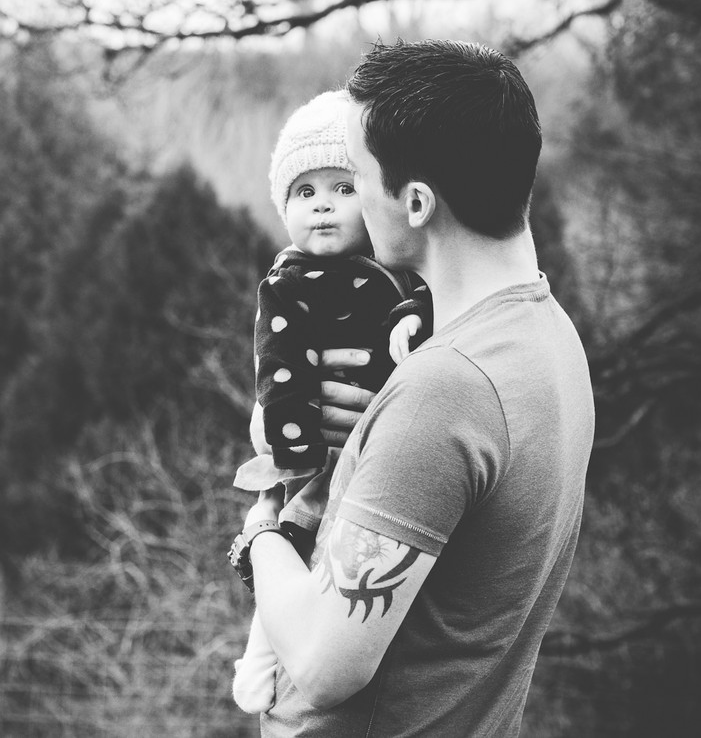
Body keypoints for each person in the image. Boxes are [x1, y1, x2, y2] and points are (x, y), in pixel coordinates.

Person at [228, 40, 595, 736]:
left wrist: (262, 530)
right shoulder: (548, 336)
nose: (346, 198)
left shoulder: (443, 391)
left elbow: (323, 662)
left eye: (357, 176)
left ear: (416, 201)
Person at [231, 89, 431, 714]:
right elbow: (280, 368)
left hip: (379, 454)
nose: (323, 205)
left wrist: (413, 319)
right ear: (284, 207)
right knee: (295, 545)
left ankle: (319, 655)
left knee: (348, 569)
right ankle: (261, 655)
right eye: (305, 192)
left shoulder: (395, 269)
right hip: (313, 450)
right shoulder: (287, 284)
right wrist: (290, 442)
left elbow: (428, 303)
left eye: (344, 189)